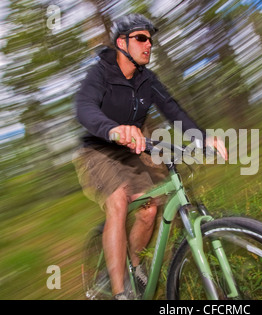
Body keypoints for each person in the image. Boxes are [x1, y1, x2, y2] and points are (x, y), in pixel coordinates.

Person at [73, 13, 227, 300]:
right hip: (98, 148)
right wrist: (113, 129)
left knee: (150, 209)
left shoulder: (147, 79)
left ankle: (134, 263)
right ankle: (120, 293)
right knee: (118, 201)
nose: (149, 45)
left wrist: (203, 138)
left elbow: (173, 111)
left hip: (132, 149)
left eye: (150, 40)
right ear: (122, 42)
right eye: (141, 38)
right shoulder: (100, 74)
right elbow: (84, 108)